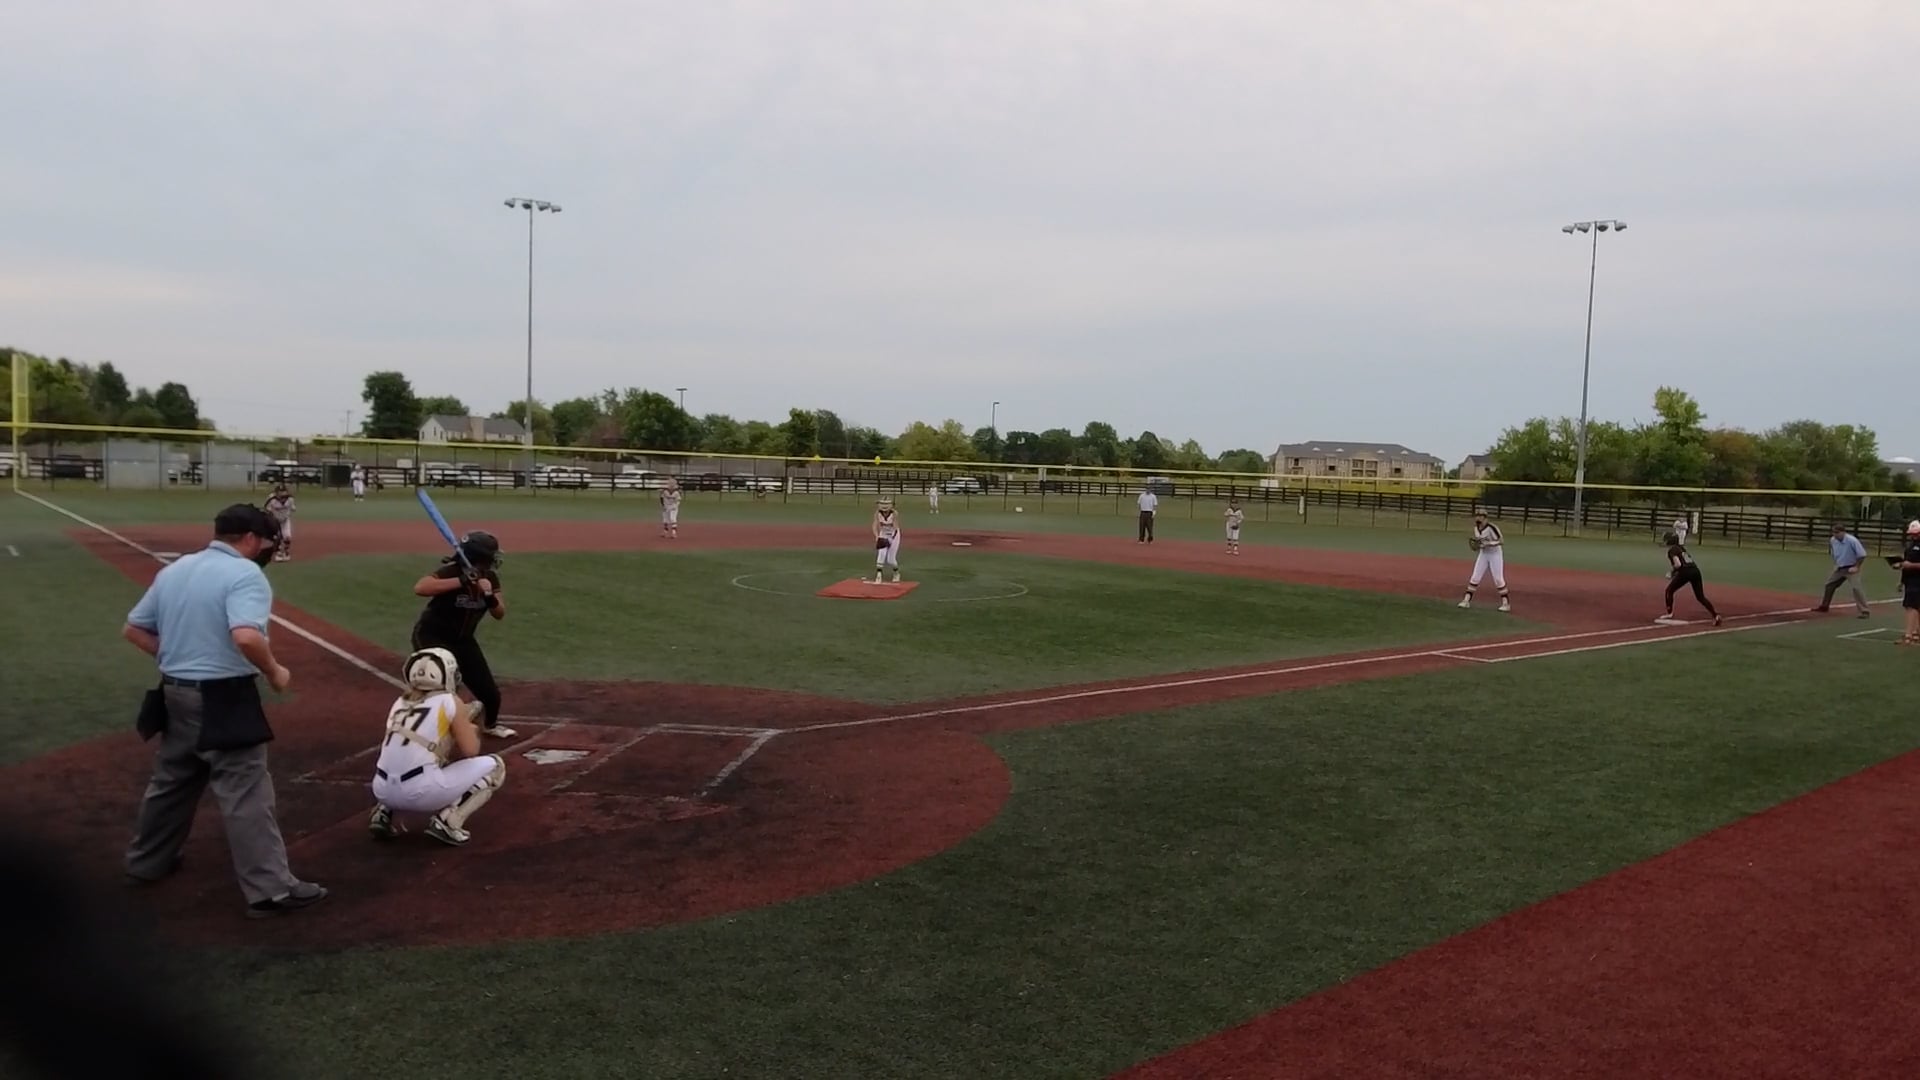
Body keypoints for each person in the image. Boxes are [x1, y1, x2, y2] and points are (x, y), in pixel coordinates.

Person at [119, 504, 327, 918]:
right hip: (224, 698)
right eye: (266, 542)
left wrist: (177, 657)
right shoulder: (245, 574)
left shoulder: (177, 569)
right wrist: (274, 672)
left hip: (174, 693)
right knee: (246, 790)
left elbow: (134, 629)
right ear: (250, 539)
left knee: (172, 781)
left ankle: (146, 862)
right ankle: (270, 890)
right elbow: (246, 636)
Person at [366, 648, 508, 846]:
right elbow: (471, 750)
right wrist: (472, 728)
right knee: (495, 767)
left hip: (381, 790)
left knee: (417, 754)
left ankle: (382, 812)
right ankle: (449, 821)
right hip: (420, 792)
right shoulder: (450, 701)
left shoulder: (399, 703)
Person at [410, 530, 513, 739]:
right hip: (432, 636)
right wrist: (463, 580)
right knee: (443, 687)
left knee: (490, 694)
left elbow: (499, 613)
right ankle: (429, 729)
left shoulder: (490, 578)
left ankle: (490, 725)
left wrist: (489, 595)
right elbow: (421, 587)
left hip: (463, 640)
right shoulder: (452, 571)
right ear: (480, 557)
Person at [1658, 530, 1722, 625]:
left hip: (1686, 572)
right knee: (1700, 597)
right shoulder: (1681, 548)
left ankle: (1669, 613)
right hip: (1695, 570)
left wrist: (1671, 572)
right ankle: (1715, 615)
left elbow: (1678, 564)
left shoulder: (1672, 550)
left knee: (1669, 591)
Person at [1458, 509, 1512, 612]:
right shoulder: (1476, 528)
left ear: (1485, 518)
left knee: (1498, 579)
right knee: (1475, 577)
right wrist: (1478, 546)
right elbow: (1479, 543)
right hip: (1483, 554)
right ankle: (1466, 600)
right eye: (1477, 516)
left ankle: (1506, 604)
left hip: (1495, 554)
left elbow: (1501, 541)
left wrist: (1489, 544)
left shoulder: (1492, 528)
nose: (1478, 518)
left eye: (1480, 516)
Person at [1814, 522, 1871, 619]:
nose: (1835, 535)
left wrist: (1856, 567)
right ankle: (1824, 606)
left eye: (1837, 532)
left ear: (1843, 532)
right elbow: (1835, 553)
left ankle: (1864, 611)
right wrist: (1837, 564)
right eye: (1833, 532)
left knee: (1856, 588)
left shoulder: (1852, 540)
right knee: (1829, 584)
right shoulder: (1833, 540)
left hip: (1851, 568)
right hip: (1840, 568)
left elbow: (1862, 555)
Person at [1894, 520, 1920, 645]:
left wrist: (1911, 565)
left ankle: (1908, 636)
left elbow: (1910, 564)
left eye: (1916, 534)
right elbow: (1906, 564)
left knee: (1911, 607)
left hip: (1917, 580)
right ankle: (1916, 633)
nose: (1913, 536)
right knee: (1916, 607)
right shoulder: (1910, 546)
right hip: (1910, 580)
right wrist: (1902, 580)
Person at [871, 497, 903, 583]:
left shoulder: (894, 513)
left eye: (886, 504)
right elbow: (874, 525)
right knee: (881, 554)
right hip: (883, 534)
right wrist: (877, 536)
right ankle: (879, 575)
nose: (884, 506)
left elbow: (895, 527)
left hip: (894, 535)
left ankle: (896, 573)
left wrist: (890, 539)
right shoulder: (877, 513)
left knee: (890, 559)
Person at [263, 482, 295, 561]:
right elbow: (266, 509)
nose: (282, 494)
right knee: (278, 536)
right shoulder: (272, 499)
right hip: (275, 520)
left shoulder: (290, 499)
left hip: (285, 520)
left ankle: (286, 552)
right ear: (276, 492)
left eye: (283, 491)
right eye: (280, 492)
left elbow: (292, 508)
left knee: (287, 537)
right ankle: (279, 553)